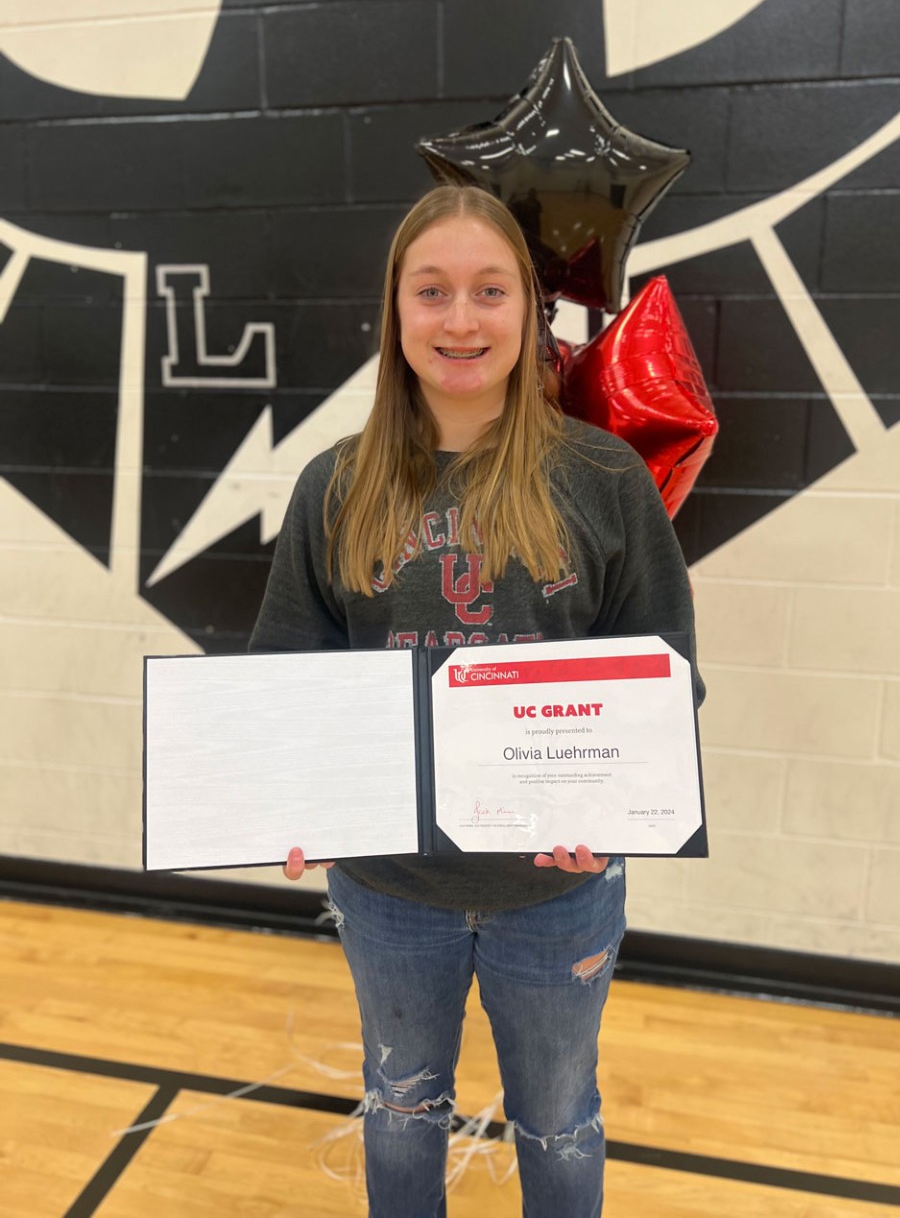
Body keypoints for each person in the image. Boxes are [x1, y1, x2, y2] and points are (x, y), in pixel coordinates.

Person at [249, 184, 703, 1217]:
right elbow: (284, 670)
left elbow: (665, 667)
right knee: (403, 1112)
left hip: (557, 891)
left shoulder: (603, 478)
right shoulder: (336, 483)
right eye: (433, 290)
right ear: (396, 312)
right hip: (390, 886)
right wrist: (280, 791)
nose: (460, 319)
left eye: (489, 290)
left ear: (531, 309)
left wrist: (620, 804)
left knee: (559, 1115)